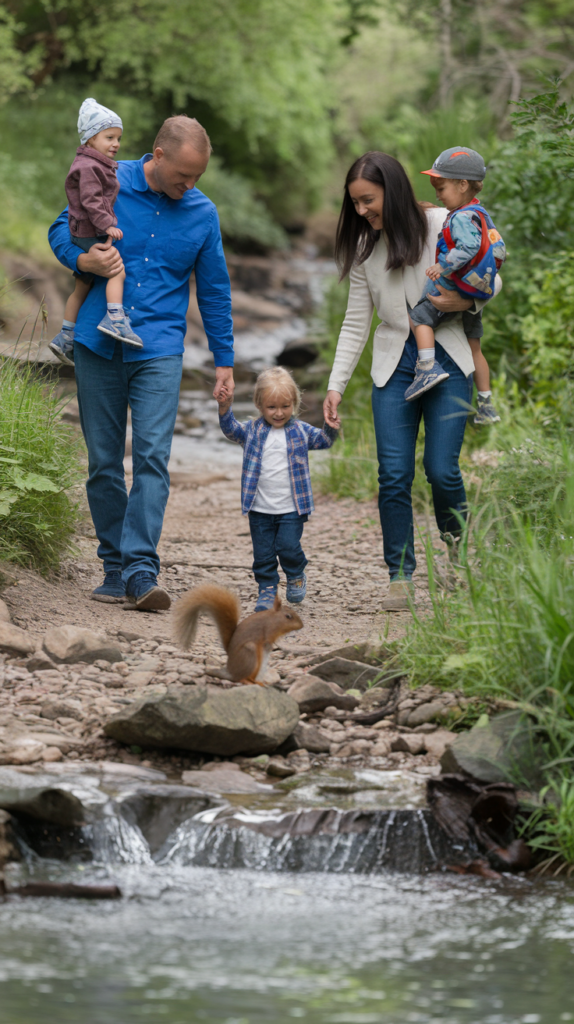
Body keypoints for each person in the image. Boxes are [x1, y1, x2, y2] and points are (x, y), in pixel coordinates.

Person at [49, 114, 235, 610]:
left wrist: (224, 360)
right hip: (96, 342)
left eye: (197, 177)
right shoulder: (105, 177)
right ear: (157, 155)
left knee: (152, 458)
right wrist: (81, 260)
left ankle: (140, 569)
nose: (189, 185)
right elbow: (59, 229)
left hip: (159, 348)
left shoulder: (202, 212)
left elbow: (215, 290)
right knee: (104, 462)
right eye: (183, 175)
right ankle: (114, 566)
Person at [323, 151, 501, 611]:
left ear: (392, 190)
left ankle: (459, 561)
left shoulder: (445, 220)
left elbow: (492, 272)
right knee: (393, 476)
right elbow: (355, 322)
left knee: (442, 471)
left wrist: (469, 304)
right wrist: (335, 385)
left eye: (368, 201)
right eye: (355, 204)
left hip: (448, 358)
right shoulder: (367, 248)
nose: (362, 211)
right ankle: (400, 576)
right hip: (393, 367)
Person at [216, 366, 338, 611]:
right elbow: (230, 430)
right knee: (263, 555)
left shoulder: (301, 431)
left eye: (285, 406)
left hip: (291, 507)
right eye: (272, 407)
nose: (279, 413)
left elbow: (324, 441)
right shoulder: (252, 431)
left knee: (288, 547)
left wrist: (331, 426)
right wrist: (224, 408)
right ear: (259, 406)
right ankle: (267, 590)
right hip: (259, 508)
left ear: (294, 403)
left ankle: (296, 573)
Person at [405, 146, 506, 425]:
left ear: (463, 185)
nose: (438, 194)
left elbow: (470, 245)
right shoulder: (480, 213)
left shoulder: (461, 217)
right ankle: (486, 405)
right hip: (475, 288)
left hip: (453, 284)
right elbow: (498, 250)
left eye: (441, 187)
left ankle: (427, 367)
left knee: (419, 317)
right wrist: (480, 282)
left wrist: (444, 266)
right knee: (476, 349)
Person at [49, 98, 143, 365]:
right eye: (109, 137)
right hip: (90, 230)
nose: (116, 144)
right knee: (117, 269)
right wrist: (107, 226)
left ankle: (65, 335)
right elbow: (91, 200)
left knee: (82, 285)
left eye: (118, 138)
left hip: (81, 230)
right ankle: (115, 319)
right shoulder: (90, 167)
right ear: (90, 139)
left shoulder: (92, 163)